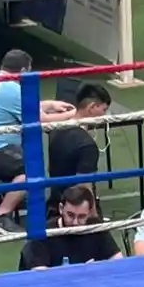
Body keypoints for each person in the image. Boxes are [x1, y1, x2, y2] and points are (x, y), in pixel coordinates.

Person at [0, 50, 75, 234]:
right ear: (23, 70)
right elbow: (41, 122)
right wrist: (74, 115)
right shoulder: (12, 89)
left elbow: (18, 104)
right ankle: (2, 216)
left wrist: (50, 104)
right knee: (30, 170)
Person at [18, 184, 122, 270]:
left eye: (82, 216)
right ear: (61, 208)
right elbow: (40, 276)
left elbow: (118, 261)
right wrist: (80, 271)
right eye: (70, 215)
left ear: (89, 213)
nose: (75, 222)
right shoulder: (43, 233)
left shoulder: (96, 228)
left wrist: (99, 268)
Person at [47, 83, 112, 215]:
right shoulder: (87, 145)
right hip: (76, 210)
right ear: (92, 107)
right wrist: (94, 218)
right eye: (103, 110)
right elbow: (84, 188)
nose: (105, 115)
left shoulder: (55, 130)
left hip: (55, 205)